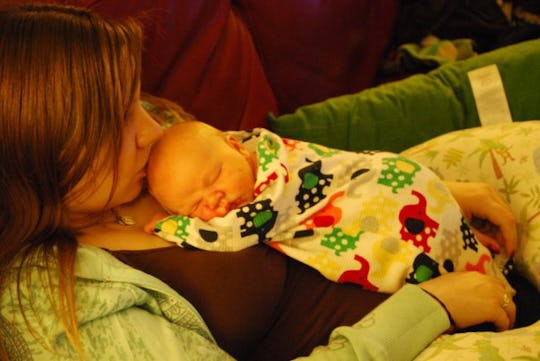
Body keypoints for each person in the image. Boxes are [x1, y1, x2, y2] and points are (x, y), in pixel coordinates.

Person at [0, 3, 519, 361]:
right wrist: (434, 307)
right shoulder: (60, 304)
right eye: (115, 125)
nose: (154, 129)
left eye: (136, 99)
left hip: (447, 253)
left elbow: (290, 172)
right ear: (38, 165)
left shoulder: (145, 154)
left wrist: (418, 191)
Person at [145, 120, 513, 293]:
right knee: (456, 243)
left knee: (439, 267)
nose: (216, 202)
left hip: (390, 197)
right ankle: (480, 256)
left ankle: (492, 279)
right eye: (195, 207)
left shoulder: (272, 192)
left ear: (237, 146)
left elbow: (225, 234)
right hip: (405, 181)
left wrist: (174, 226)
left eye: (214, 179)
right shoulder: (260, 151)